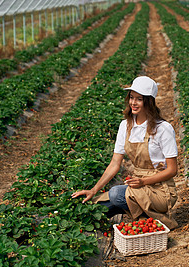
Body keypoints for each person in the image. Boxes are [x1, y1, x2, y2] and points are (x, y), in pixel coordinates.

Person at [72, 76, 179, 229]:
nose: (133, 103)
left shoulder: (162, 128)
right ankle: (137, 217)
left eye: (139, 99)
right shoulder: (125, 126)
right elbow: (115, 163)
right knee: (98, 207)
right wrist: (93, 190)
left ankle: (151, 218)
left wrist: (143, 182)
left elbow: (172, 170)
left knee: (116, 194)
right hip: (137, 186)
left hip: (160, 190)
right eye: (131, 97)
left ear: (149, 102)